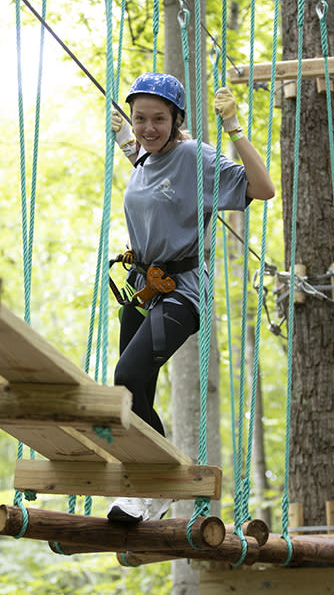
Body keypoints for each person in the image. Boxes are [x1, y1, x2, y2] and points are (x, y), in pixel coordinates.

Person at [105, 72, 275, 523]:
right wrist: (123, 131)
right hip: (143, 292)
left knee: (127, 373)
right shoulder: (143, 158)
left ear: (176, 119)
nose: (147, 128)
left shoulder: (195, 158)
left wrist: (235, 129)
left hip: (182, 293)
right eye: (140, 119)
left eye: (158, 119)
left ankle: (153, 480)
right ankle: (147, 490)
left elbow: (263, 190)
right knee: (130, 390)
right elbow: (140, 158)